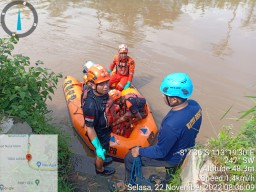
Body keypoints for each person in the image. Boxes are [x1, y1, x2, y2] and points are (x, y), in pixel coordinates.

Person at [112, 72, 202, 189]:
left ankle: (129, 185)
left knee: (130, 157)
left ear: (173, 99)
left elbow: (160, 152)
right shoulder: (195, 106)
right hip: (186, 149)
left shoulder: (171, 125)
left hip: (173, 157)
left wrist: (139, 151)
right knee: (172, 166)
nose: (162, 96)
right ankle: (168, 183)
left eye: (165, 95)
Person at [83, 64, 115, 176]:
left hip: (105, 129)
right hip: (99, 133)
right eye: (102, 84)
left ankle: (102, 158)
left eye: (107, 82)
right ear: (92, 85)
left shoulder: (102, 93)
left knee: (104, 150)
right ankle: (100, 169)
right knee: (101, 152)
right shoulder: (91, 105)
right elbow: (90, 127)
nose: (106, 86)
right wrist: (98, 147)